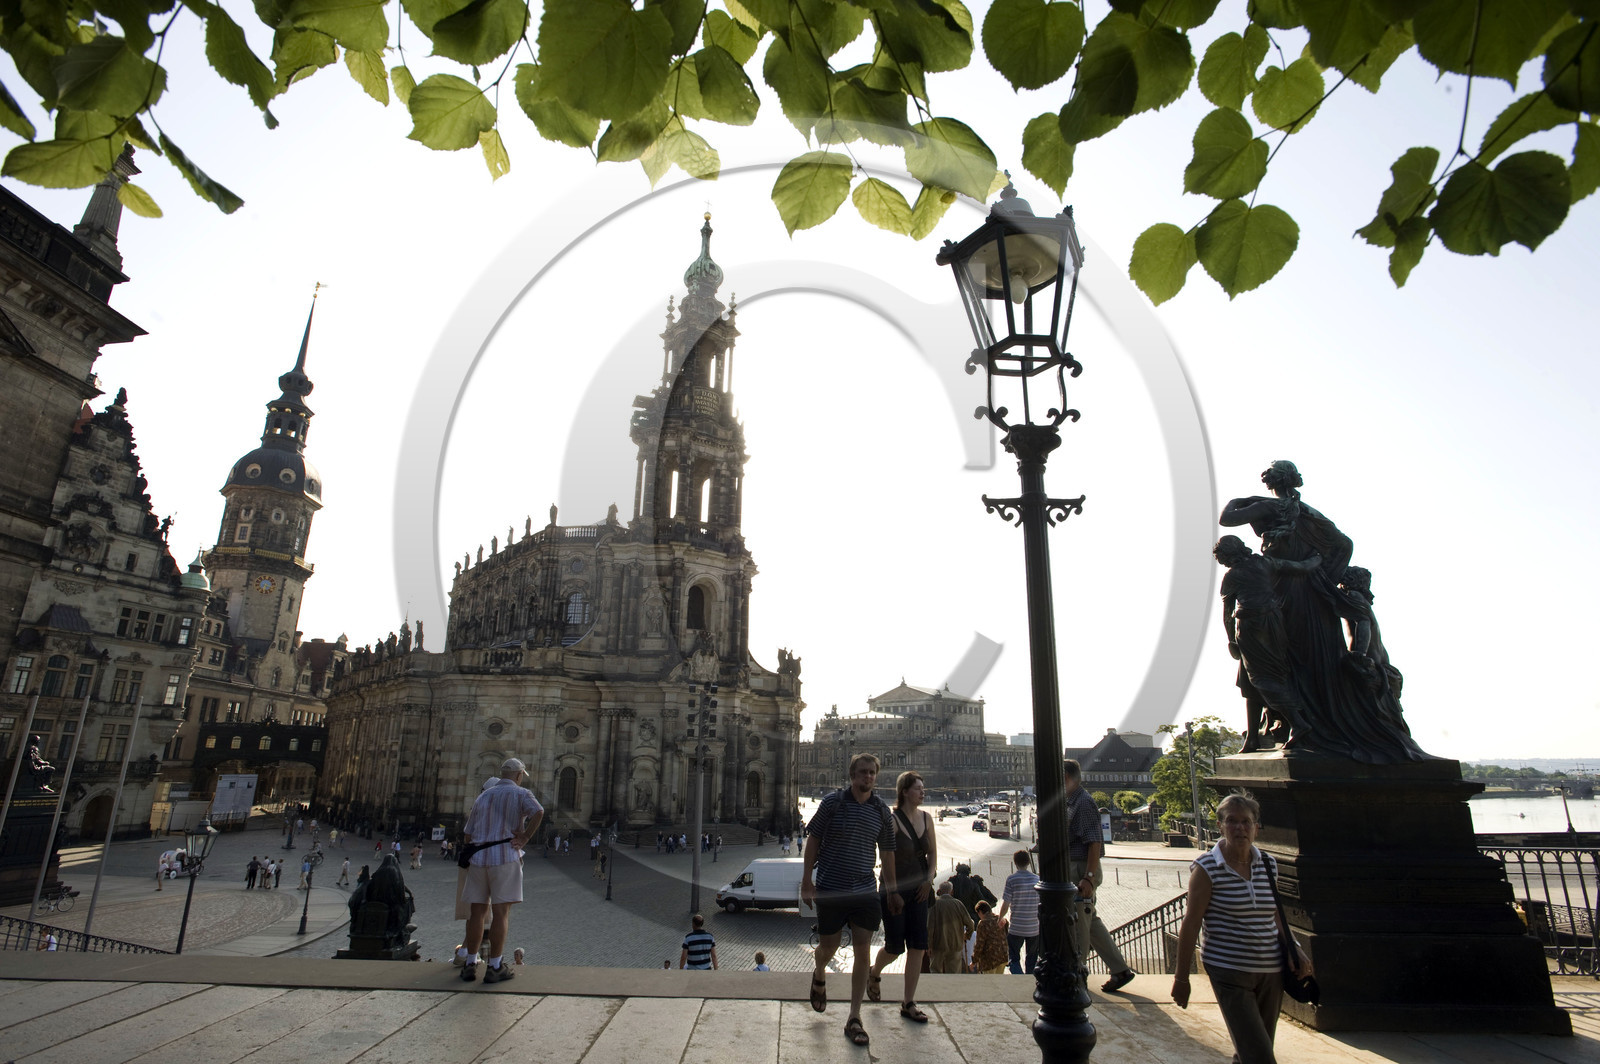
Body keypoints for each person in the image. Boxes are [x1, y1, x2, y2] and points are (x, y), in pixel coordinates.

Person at [1173, 791, 1312, 1064]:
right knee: (1260, 1055)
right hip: (1229, 970)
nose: (1240, 828)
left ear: (1256, 827)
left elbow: (1275, 916)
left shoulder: (1268, 864)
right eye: (1232, 821)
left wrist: (1295, 948)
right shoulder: (1207, 868)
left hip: (1270, 972)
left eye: (1247, 822)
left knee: (1251, 1051)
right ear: (1220, 826)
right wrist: (1181, 978)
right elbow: (1190, 925)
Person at [801, 753, 900, 1048]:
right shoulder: (833, 803)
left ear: (876, 776)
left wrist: (893, 890)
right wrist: (807, 880)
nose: (867, 777)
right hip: (831, 888)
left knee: (863, 952)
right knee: (828, 947)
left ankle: (854, 1017)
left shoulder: (881, 810)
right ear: (852, 775)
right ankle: (819, 972)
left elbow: (888, 853)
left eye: (872, 772)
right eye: (862, 772)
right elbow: (814, 839)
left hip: (865, 891)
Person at [456, 757, 543, 985]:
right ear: (519, 775)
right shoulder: (521, 793)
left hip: (479, 858)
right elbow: (539, 812)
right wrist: (525, 837)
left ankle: (470, 962)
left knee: (476, 913)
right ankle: (495, 966)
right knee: (501, 913)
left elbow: (468, 833)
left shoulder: (483, 796)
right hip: (504, 856)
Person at [867, 770, 937, 1024]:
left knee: (918, 946)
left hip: (920, 889)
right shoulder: (892, 819)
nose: (923, 791)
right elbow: (886, 858)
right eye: (918, 788)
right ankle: (874, 972)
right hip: (894, 891)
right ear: (905, 791)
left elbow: (932, 856)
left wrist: (929, 880)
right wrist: (893, 891)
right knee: (895, 947)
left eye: (923, 787)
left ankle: (908, 1002)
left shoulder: (928, 819)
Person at [1064, 758, 1137, 992]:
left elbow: (1094, 842)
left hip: (1081, 869)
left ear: (1067, 778)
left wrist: (1089, 877)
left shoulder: (1083, 803)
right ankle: (1120, 970)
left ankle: (1078, 974)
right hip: (1077, 867)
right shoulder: (1071, 800)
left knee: (1080, 925)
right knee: (1090, 921)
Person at [946, 862, 995, 972]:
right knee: (973, 943)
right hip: (971, 918)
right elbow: (980, 898)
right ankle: (972, 967)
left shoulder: (952, 881)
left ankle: (957, 966)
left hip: (955, 918)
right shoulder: (973, 883)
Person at [998, 849, 1041, 975]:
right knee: (1032, 958)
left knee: (1013, 957)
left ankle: (1018, 977)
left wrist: (1000, 918)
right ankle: (1029, 979)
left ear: (1015, 862)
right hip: (1034, 928)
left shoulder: (1012, 879)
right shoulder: (1037, 879)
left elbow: (1006, 903)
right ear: (1028, 862)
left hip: (1017, 927)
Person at [927, 881, 975, 973]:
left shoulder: (934, 904)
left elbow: (930, 926)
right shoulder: (958, 904)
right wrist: (966, 936)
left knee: (935, 971)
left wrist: (929, 945)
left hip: (938, 944)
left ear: (940, 891)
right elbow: (970, 924)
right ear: (951, 891)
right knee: (954, 973)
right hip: (955, 944)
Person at [972, 900, 1008, 974]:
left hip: (990, 960)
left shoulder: (983, 923)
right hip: (1003, 957)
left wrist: (974, 961)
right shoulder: (1000, 919)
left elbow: (979, 944)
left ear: (980, 912)